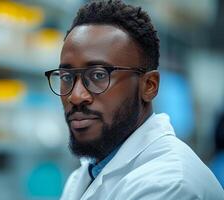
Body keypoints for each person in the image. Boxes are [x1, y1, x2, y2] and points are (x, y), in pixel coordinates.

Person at [44, 0, 224, 199]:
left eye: (98, 75)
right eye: (67, 77)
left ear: (149, 86)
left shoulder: (170, 185)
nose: (76, 96)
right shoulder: (86, 174)